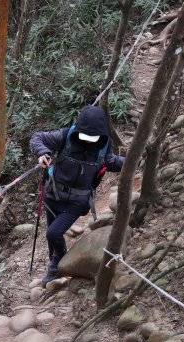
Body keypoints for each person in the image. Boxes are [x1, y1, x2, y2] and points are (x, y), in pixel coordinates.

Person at [30, 106, 125, 286]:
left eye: (92, 139)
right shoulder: (65, 137)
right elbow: (37, 137)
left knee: (53, 233)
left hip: (77, 202)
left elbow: (111, 162)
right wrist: (42, 153)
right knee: (54, 235)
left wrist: (132, 160)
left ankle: (60, 265)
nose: (89, 142)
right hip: (53, 196)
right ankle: (56, 264)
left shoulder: (103, 145)